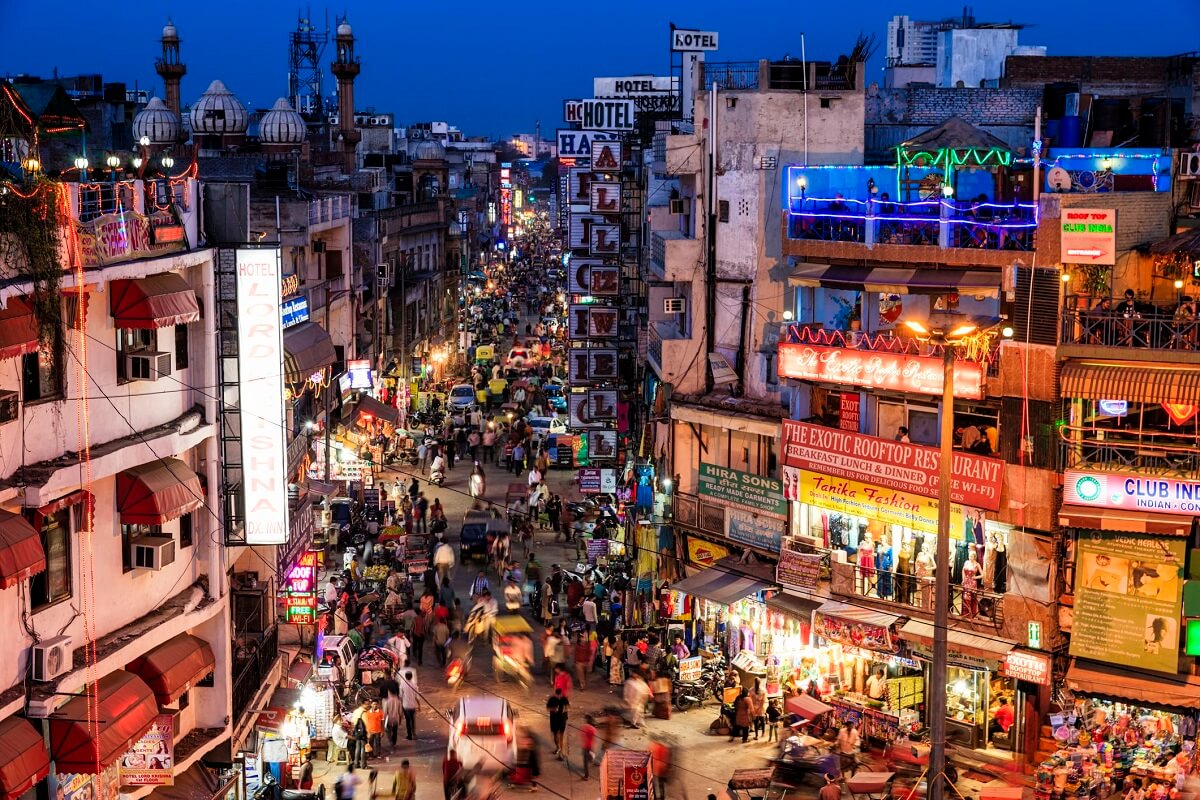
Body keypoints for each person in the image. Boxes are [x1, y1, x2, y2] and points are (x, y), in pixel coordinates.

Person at [547, 687, 570, 758]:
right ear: (555, 694)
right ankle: (557, 747)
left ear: (561, 694)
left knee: (561, 736)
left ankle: (561, 752)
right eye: (558, 695)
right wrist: (554, 709)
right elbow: (548, 708)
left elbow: (568, 706)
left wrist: (565, 710)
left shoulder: (564, 699)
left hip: (562, 720)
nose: (559, 697)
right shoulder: (552, 699)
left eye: (560, 695)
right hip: (554, 720)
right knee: (555, 735)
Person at [398, 670, 420, 740]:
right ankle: (414, 733)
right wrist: (419, 706)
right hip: (413, 706)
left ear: (405, 677)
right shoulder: (414, 685)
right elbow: (417, 697)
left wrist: (400, 706)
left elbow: (400, 696)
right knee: (413, 720)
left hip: (405, 706)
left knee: (408, 721)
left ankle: (409, 735)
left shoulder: (402, 685)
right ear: (411, 677)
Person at [350, 703, 370, 767]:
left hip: (357, 733)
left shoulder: (355, 711)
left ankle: (356, 763)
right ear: (362, 704)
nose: (368, 705)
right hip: (363, 733)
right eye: (367, 704)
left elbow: (352, 722)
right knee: (362, 748)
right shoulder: (364, 713)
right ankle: (363, 764)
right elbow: (367, 724)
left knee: (357, 748)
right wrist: (368, 733)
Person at [579, 715, 597, 780]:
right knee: (589, 756)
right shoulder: (593, 729)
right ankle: (592, 758)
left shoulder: (585, 727)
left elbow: (582, 735)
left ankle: (586, 776)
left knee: (585, 762)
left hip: (586, 746)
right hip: (591, 745)